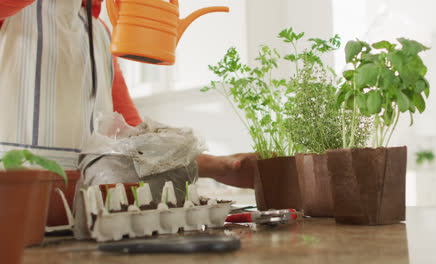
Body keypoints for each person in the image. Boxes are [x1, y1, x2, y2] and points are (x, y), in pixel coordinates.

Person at [0, 0, 256, 189]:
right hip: (11, 216)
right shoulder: (9, 13)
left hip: (77, 219)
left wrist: (223, 166)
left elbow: (133, 142)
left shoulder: (98, 34)